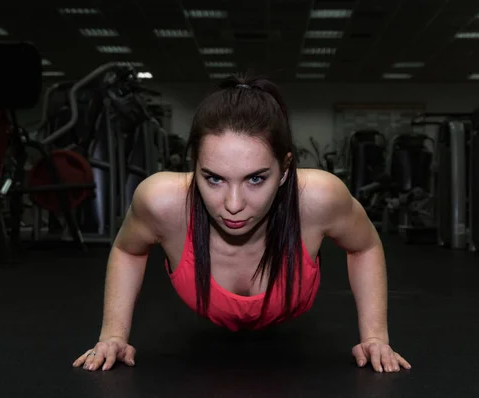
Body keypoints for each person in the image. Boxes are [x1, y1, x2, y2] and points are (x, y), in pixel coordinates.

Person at [73, 76, 412, 373]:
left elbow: (364, 245)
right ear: (194, 167)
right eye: (214, 179)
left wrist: (374, 337)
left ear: (285, 170)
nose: (233, 205)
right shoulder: (161, 202)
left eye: (255, 179)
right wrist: (113, 335)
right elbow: (128, 250)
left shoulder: (318, 197)